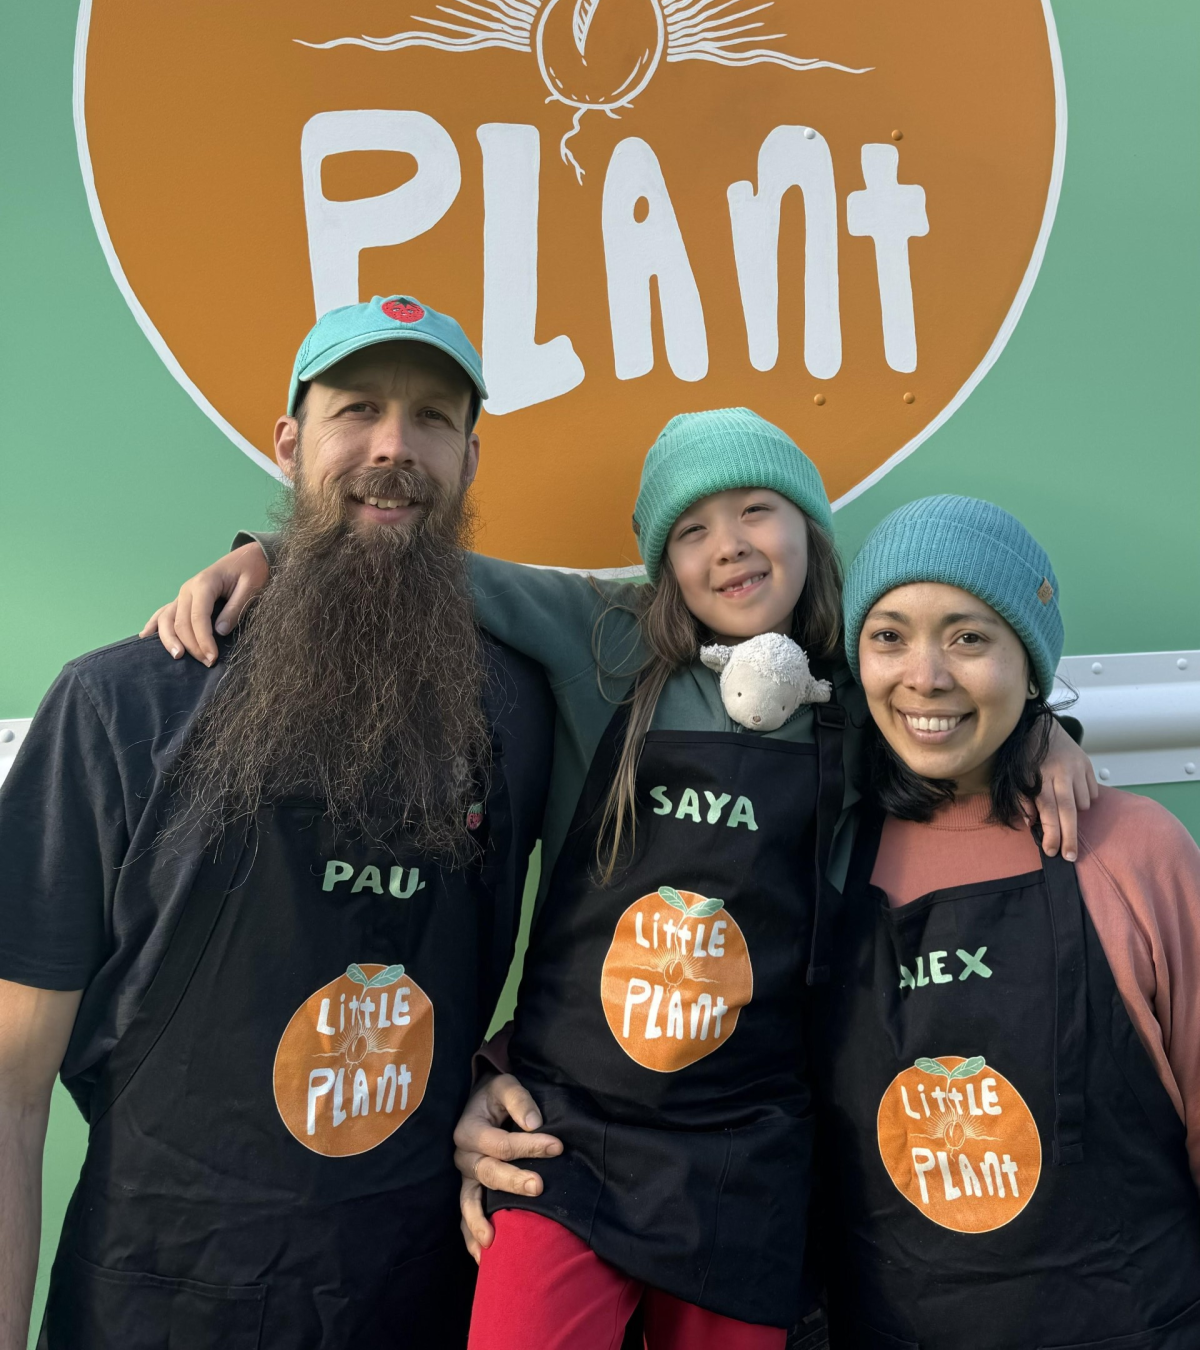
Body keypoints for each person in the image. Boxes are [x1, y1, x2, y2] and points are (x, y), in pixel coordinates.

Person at [148, 416, 1095, 1346]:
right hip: (569, 1137)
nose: (728, 548)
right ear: (661, 561)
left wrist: (1045, 735)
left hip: (751, 1153)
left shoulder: (860, 691)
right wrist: (271, 555)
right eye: (691, 530)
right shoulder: (602, 642)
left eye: (757, 510)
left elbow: (957, 715)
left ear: (808, 526)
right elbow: (418, 569)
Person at [0, 295, 554, 1350]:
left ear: (470, 460)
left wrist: (498, 1071)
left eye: (433, 418)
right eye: (358, 410)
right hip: (153, 1300)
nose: (395, 445)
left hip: (410, 1297)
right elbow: (8, 1088)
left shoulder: (520, 711)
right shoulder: (120, 704)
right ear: (291, 443)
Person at [810, 494, 1200, 1349]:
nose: (927, 676)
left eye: (969, 636)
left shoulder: (1135, 852)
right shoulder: (826, 852)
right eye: (889, 635)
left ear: (1031, 664)